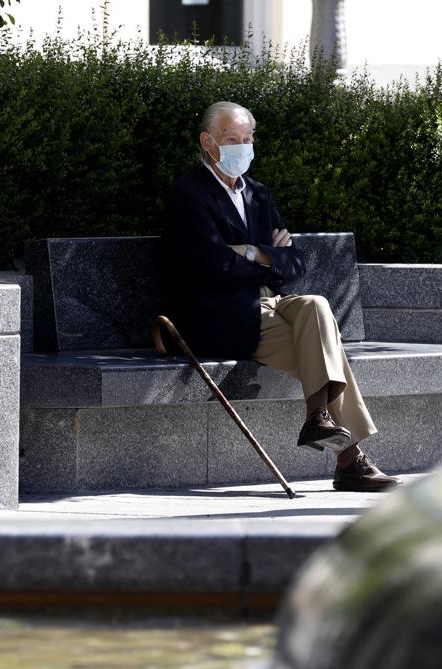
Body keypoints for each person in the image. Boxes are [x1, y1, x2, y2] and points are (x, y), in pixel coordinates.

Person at [161, 101, 401, 493]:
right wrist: (270, 256)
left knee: (317, 305)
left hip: (269, 305)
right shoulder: (189, 195)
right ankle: (349, 460)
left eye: (247, 139)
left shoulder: (258, 194)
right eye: (230, 139)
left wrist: (252, 252)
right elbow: (215, 267)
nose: (241, 147)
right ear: (208, 143)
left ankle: (318, 419)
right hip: (221, 314)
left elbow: (296, 264)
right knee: (328, 354)